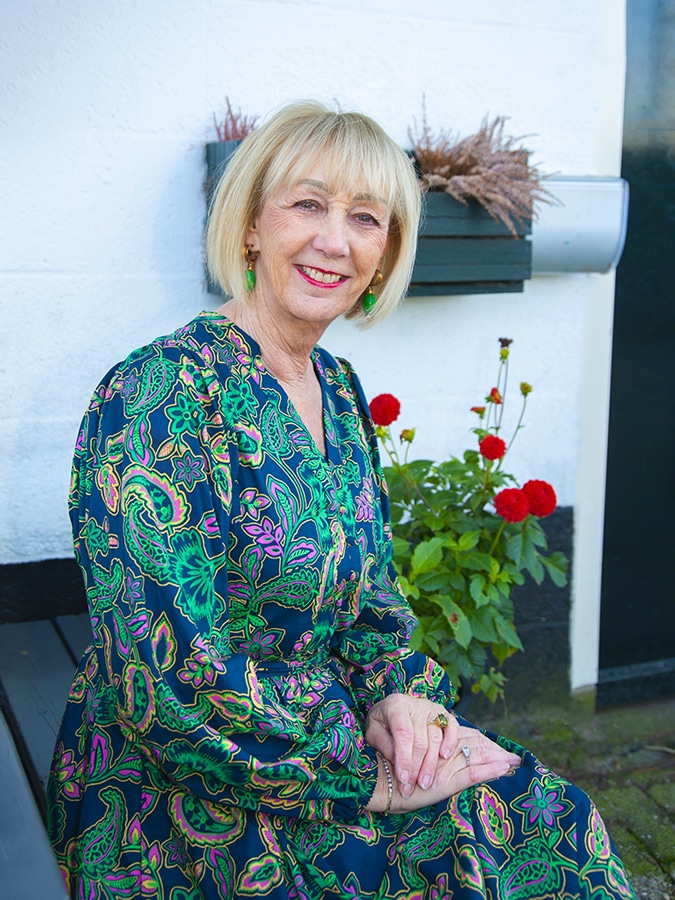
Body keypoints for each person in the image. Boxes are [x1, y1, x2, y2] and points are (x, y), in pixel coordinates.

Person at [47, 100, 635, 900]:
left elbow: (369, 608)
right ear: (251, 225)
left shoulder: (335, 386)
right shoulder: (158, 394)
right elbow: (171, 683)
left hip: (328, 740)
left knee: (543, 812)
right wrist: (362, 780)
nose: (335, 240)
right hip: (188, 788)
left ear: (385, 253)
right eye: (308, 203)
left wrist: (402, 702)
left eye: (366, 217)